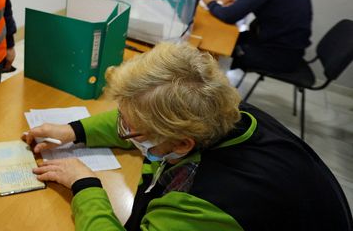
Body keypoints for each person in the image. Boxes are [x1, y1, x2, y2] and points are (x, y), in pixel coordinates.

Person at [24, 43, 352, 231]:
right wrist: (73, 131)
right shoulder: (223, 111)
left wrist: (85, 185)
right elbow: (144, 120)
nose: (123, 130)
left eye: (130, 129)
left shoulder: (205, 203)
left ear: (182, 144)